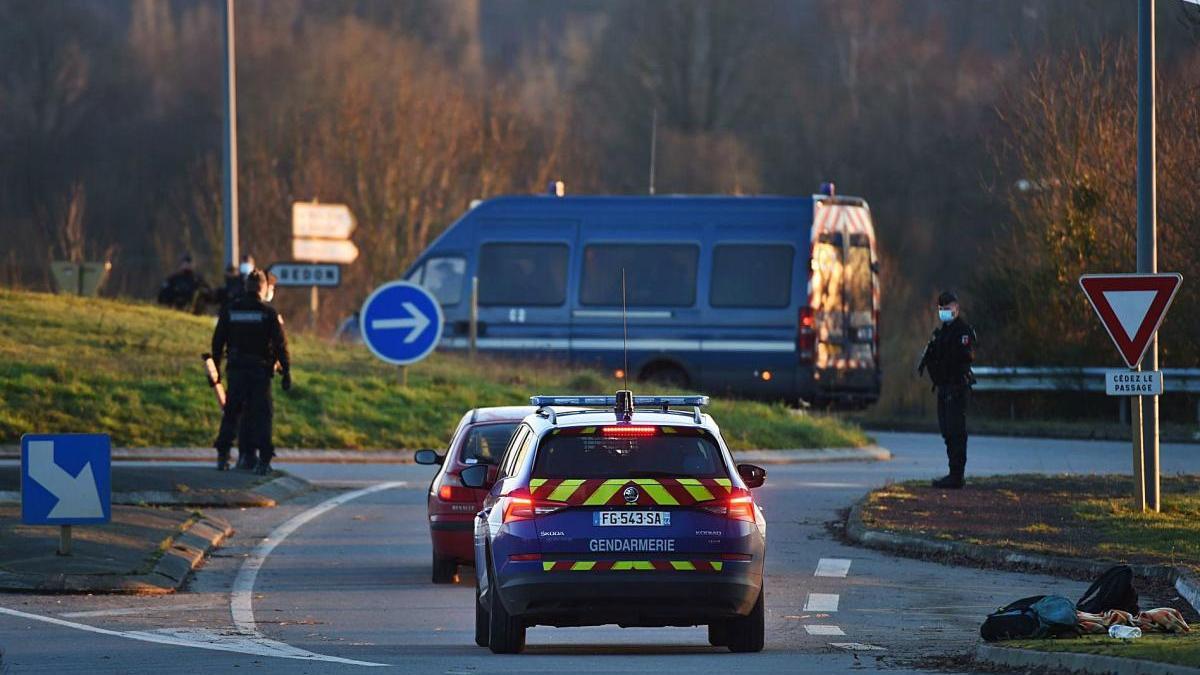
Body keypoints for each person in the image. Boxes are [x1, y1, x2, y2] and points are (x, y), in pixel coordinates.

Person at [210, 269, 291, 474]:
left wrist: (217, 368)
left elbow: (218, 341)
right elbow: (280, 345)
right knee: (262, 415)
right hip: (259, 372)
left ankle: (222, 456)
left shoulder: (230, 310)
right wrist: (286, 371)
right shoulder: (268, 313)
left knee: (231, 413)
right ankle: (263, 460)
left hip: (236, 370)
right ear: (263, 288)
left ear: (246, 287)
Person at [917, 290, 977, 489]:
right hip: (943, 388)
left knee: (956, 432)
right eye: (942, 309)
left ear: (957, 309)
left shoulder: (962, 331)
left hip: (956, 388)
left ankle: (957, 475)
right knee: (947, 432)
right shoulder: (941, 333)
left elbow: (963, 358)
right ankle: (953, 473)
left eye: (948, 308)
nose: (945, 312)